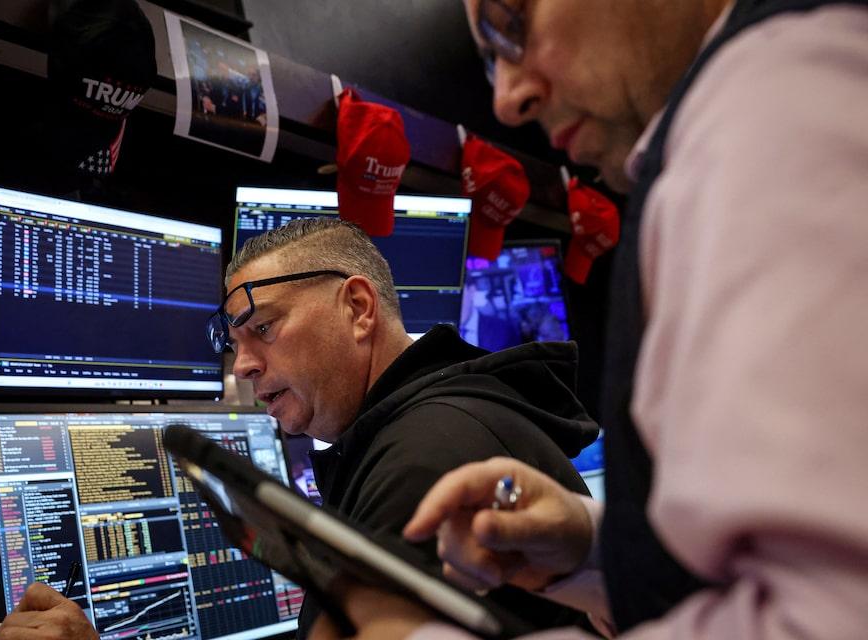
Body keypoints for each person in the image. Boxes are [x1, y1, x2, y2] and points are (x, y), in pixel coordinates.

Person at [307, 0, 868, 638]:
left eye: (509, 21)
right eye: (488, 62)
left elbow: (836, 615)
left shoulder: (772, 112)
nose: (507, 101)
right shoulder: (745, 114)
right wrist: (596, 547)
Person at [0, 217, 599, 638]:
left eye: (263, 327)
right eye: (234, 344)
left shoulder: (424, 459)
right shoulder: (437, 418)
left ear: (358, 309)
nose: (244, 365)